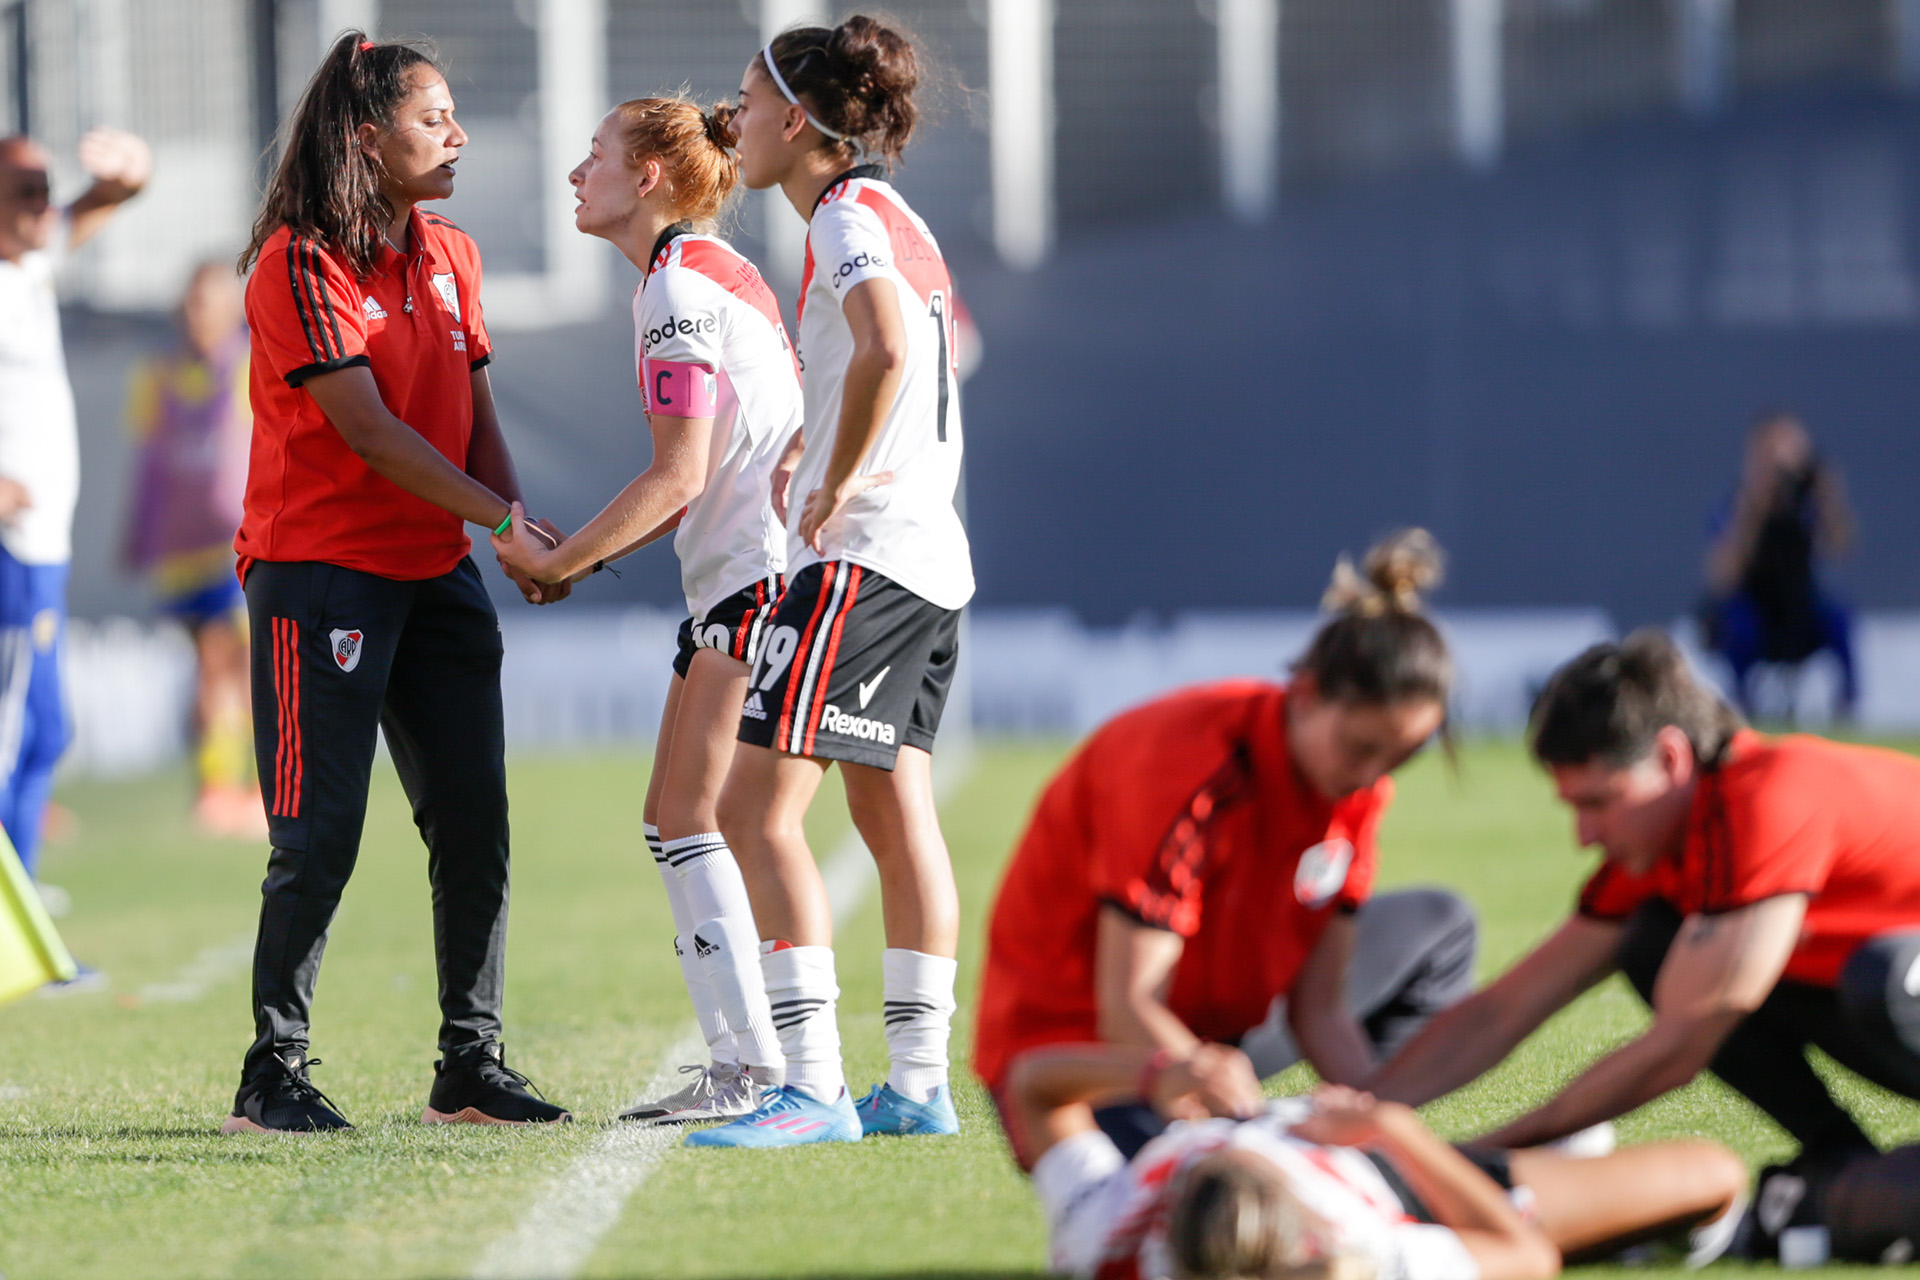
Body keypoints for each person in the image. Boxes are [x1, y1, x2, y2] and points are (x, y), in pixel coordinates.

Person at [221, 32, 571, 1134]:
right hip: (318, 576)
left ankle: (470, 1065)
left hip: (436, 574)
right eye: (436, 117)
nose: (459, 134)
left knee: (475, 825)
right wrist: (503, 518)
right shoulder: (295, 262)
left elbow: (473, 414)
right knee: (317, 835)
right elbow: (368, 432)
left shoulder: (450, 253)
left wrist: (517, 539)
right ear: (366, 137)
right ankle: (270, 1074)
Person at [1365, 630, 1920, 1261]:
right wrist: (1358, 1113)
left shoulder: (1771, 796)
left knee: (1885, 977)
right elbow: (1502, 1009)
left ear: (1672, 757)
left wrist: (1473, 1159)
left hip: (1896, 983)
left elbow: (1679, 1047)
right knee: (1653, 943)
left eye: (1599, 802)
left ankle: (1852, 1191)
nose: (1583, 835)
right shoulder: (1676, 838)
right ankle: (1837, 1165)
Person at [685, 15, 975, 1147]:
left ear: (802, 122)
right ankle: (915, 1083)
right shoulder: (893, 213)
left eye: (751, 102)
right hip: (927, 554)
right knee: (892, 806)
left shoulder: (850, 211)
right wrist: (827, 441)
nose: (736, 119)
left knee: (754, 808)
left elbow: (889, 347)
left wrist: (833, 472)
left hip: (868, 554)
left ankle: (808, 1086)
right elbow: (898, 354)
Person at [973, 531, 1477, 1166]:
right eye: (1361, 748)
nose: (1374, 775)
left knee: (1442, 927)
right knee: (1238, 1223)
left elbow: (1319, 1010)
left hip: (1213, 1036)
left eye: (1400, 758)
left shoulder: (1359, 787)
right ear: (1307, 694)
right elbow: (1128, 1004)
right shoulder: (1182, 765)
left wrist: (1378, 1120)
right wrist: (1246, 1121)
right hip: (1076, 1057)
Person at [491, 94, 801, 1124]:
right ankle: (759, 1065)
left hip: (756, 578)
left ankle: (763, 1070)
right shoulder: (713, 271)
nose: (580, 176)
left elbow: (681, 472)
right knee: (679, 821)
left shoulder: (676, 286)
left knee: (701, 821)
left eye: (597, 157)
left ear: (653, 175)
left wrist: (563, 562)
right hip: (750, 574)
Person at [1008, 1040, 1747, 1279]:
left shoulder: (1102, 1235)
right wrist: (1395, 1131)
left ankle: (1553, 1163)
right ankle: (1546, 1172)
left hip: (1322, 1144)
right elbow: (1526, 1254)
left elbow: (1032, 1086)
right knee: (1714, 1175)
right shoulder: (1364, 1252)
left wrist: (1157, 1072)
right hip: (1388, 1170)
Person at [0, 127, 150, 901]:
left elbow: (111, 198)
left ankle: (18, 896)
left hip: (41, 543)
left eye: (43, 185)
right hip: (13, 546)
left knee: (41, 729)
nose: (41, 201)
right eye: (24, 188)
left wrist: (133, 168)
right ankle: (11, 910)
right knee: (23, 728)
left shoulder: (30, 261)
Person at [123, 261, 263, 838]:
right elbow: (151, 466)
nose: (197, 315)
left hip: (237, 546)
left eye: (208, 303)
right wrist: (139, 537)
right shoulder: (159, 377)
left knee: (233, 666)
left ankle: (241, 789)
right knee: (211, 667)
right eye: (191, 303)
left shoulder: (255, 365)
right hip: (185, 553)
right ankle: (218, 787)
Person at [1701, 409, 1857, 720]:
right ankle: (1743, 705)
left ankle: (1848, 705)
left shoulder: (1808, 505)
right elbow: (1723, 575)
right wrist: (1754, 509)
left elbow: (1840, 547)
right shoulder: (1737, 503)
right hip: (1755, 604)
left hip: (1799, 604)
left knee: (1839, 618)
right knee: (1738, 623)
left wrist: (1829, 498)